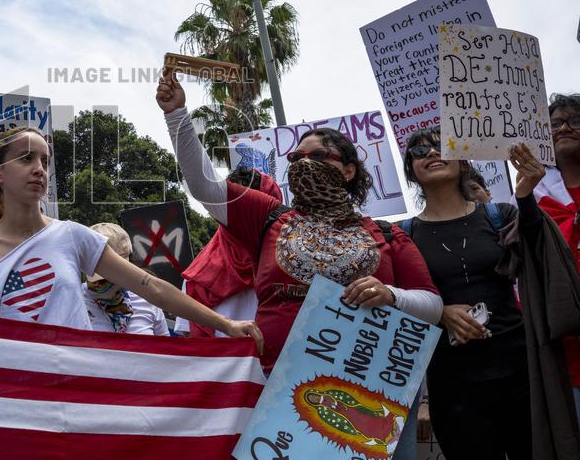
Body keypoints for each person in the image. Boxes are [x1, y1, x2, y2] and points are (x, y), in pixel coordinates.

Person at [155, 70, 442, 374]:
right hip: (276, 387)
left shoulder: (387, 234)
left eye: (318, 156)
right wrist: (177, 115)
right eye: (296, 158)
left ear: (347, 171)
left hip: (365, 386)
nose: (304, 163)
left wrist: (390, 294)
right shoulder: (267, 218)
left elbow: (433, 306)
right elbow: (205, 186)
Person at [0, 125, 265, 342]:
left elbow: (152, 287)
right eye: (26, 158)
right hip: (14, 399)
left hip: (76, 388)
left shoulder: (72, 236)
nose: (39, 169)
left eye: (45, 161)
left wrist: (225, 324)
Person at [399, 127, 578, 460]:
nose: (432, 152)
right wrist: (441, 313)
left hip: (521, 373)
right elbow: (401, 301)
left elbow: (541, 253)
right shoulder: (403, 234)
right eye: (419, 150)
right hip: (453, 385)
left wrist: (526, 193)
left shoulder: (499, 215)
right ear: (411, 170)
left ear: (463, 161)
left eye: (442, 146)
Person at [176, 166, 283, 337]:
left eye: (254, 206)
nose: (243, 219)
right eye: (236, 208)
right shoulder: (197, 279)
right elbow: (191, 346)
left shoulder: (297, 265)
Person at [535, 93, 580, 419]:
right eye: (555, 124)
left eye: (575, 121)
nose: (564, 128)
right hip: (567, 351)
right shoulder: (531, 195)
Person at [83, 223, 168, 335]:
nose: (102, 284)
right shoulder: (73, 299)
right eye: (97, 273)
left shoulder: (147, 298)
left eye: (111, 276)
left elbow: (164, 346)